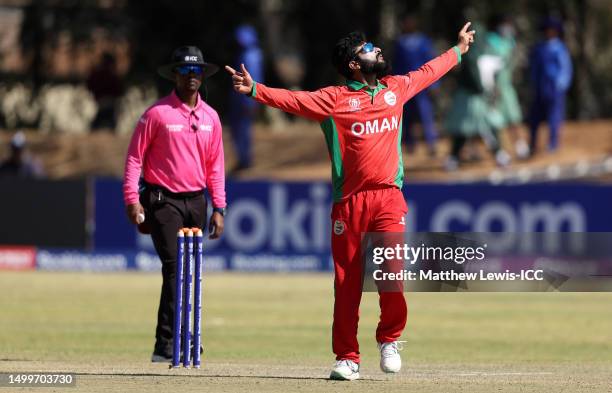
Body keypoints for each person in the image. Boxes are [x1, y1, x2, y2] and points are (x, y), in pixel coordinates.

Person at [226, 23, 475, 380]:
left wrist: (459, 50)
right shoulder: (334, 100)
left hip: (389, 197)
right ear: (354, 64)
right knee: (347, 284)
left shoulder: (395, 89)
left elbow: (428, 72)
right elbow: (294, 101)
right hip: (350, 202)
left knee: (392, 275)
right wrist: (254, 90)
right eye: (368, 48)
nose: (377, 50)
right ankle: (347, 357)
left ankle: (389, 339)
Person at [123, 46, 227, 362]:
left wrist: (219, 207)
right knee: (174, 269)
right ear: (175, 75)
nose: (191, 77)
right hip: (161, 199)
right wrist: (131, 199)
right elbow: (134, 158)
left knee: (190, 272)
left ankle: (185, 338)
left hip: (196, 201)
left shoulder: (211, 117)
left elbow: (216, 166)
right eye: (184, 71)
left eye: (196, 72)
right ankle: (165, 344)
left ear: (202, 76)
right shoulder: (157, 114)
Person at [444, 22, 509, 171]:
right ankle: (453, 159)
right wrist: (483, 90)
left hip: (479, 98)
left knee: (488, 127)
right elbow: (473, 79)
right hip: (470, 98)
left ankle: (499, 155)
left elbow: (495, 69)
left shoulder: (483, 54)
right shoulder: (468, 56)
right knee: (464, 129)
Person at [393, 14, 439, 156]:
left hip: (422, 83)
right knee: (406, 115)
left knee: (425, 113)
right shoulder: (399, 43)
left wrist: (434, 84)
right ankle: (409, 143)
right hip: (405, 84)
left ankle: (431, 143)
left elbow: (431, 61)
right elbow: (396, 65)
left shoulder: (423, 41)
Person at [486, 14, 529, 159]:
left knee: (513, 118)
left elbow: (514, 63)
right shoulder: (490, 42)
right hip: (493, 89)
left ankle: (520, 147)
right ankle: (499, 151)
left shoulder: (510, 42)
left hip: (507, 87)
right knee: (495, 122)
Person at [528, 16, 573, 154]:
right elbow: (534, 68)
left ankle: (553, 144)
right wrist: (533, 82)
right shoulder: (539, 48)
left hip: (554, 88)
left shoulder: (559, 48)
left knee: (554, 117)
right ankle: (533, 145)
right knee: (534, 118)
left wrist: (561, 84)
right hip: (540, 87)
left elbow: (565, 68)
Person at [229, 24, 263, 173]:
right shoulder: (249, 53)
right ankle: (243, 159)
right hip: (242, 97)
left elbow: (254, 78)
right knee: (240, 128)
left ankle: (245, 160)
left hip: (245, 98)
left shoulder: (251, 55)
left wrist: (251, 100)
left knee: (242, 129)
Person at [87, 52, 124, 131]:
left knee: (96, 126)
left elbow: (90, 86)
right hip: (107, 104)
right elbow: (119, 91)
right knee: (108, 125)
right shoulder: (111, 75)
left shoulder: (101, 74)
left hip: (104, 104)